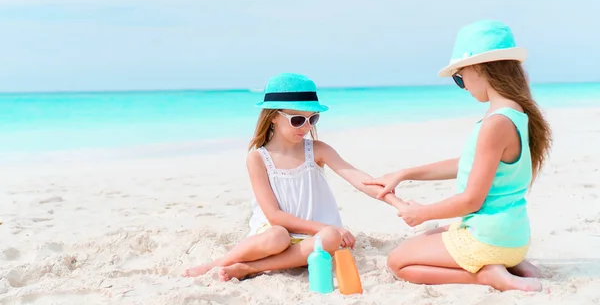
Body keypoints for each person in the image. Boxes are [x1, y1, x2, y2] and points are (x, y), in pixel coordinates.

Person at [365, 20, 552, 292]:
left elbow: (471, 200)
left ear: (476, 68)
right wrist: (405, 174)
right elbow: (471, 165)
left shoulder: (495, 123)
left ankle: (487, 276)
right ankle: (511, 264)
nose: (462, 85)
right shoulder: (516, 113)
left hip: (489, 239)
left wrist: (422, 213)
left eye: (458, 76)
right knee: (434, 236)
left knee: (398, 262)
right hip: (513, 237)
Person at [184, 72, 405, 280]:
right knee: (278, 236)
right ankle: (219, 263)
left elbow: (357, 177)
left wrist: (397, 202)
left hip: (315, 239)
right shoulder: (258, 158)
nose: (306, 127)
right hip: (276, 232)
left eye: (313, 119)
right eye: (297, 119)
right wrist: (324, 228)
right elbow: (274, 216)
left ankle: (249, 268)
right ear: (273, 117)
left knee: (330, 238)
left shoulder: (317, 150)